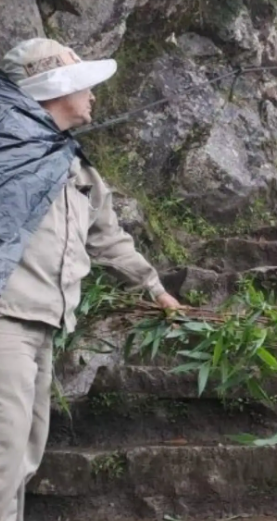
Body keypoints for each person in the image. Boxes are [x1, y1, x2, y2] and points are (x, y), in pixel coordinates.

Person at [0, 38, 181, 520]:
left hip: (45, 327)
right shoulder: (6, 145)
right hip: (5, 322)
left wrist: (155, 289)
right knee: (1, 457)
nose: (94, 96)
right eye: (84, 86)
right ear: (54, 89)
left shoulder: (75, 165)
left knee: (23, 458)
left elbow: (108, 238)